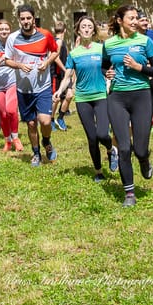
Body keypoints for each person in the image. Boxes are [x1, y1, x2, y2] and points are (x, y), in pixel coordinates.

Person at [103, 5, 153, 207]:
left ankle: (144, 159)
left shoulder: (145, 41)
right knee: (124, 148)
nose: (135, 21)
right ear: (120, 20)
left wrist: (140, 67)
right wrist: (108, 73)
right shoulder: (109, 44)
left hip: (141, 97)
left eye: (137, 18)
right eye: (131, 18)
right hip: (117, 98)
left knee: (139, 148)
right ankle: (129, 193)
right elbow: (105, 65)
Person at [54, 16, 117, 182]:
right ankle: (98, 171)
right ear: (78, 31)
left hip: (101, 96)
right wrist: (60, 90)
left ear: (94, 31)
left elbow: (110, 68)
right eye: (84, 26)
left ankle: (111, 150)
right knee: (92, 137)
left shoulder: (101, 48)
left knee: (103, 134)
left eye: (90, 26)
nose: (87, 29)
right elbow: (67, 76)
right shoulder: (74, 54)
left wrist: (110, 78)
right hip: (82, 99)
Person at [4, 4, 59, 167]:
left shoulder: (45, 35)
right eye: (23, 19)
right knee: (31, 123)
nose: (26, 21)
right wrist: (20, 65)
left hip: (42, 86)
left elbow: (54, 51)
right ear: (19, 20)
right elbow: (7, 60)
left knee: (45, 121)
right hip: (24, 89)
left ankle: (47, 142)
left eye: (29, 18)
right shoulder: (12, 38)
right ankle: (36, 154)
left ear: (33, 19)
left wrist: (47, 62)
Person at [0, 19, 23, 152]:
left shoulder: (13, 44)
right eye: (1, 29)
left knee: (12, 110)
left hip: (12, 82)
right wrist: (0, 61)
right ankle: (7, 141)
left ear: (10, 30)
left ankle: (16, 138)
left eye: (6, 29)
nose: (4, 31)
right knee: (3, 113)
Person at [51, 21, 73, 131]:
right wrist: (65, 69)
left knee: (69, 95)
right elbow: (55, 57)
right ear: (65, 30)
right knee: (56, 98)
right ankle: (51, 120)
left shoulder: (62, 42)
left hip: (65, 74)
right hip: (57, 74)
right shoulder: (58, 41)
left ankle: (60, 118)